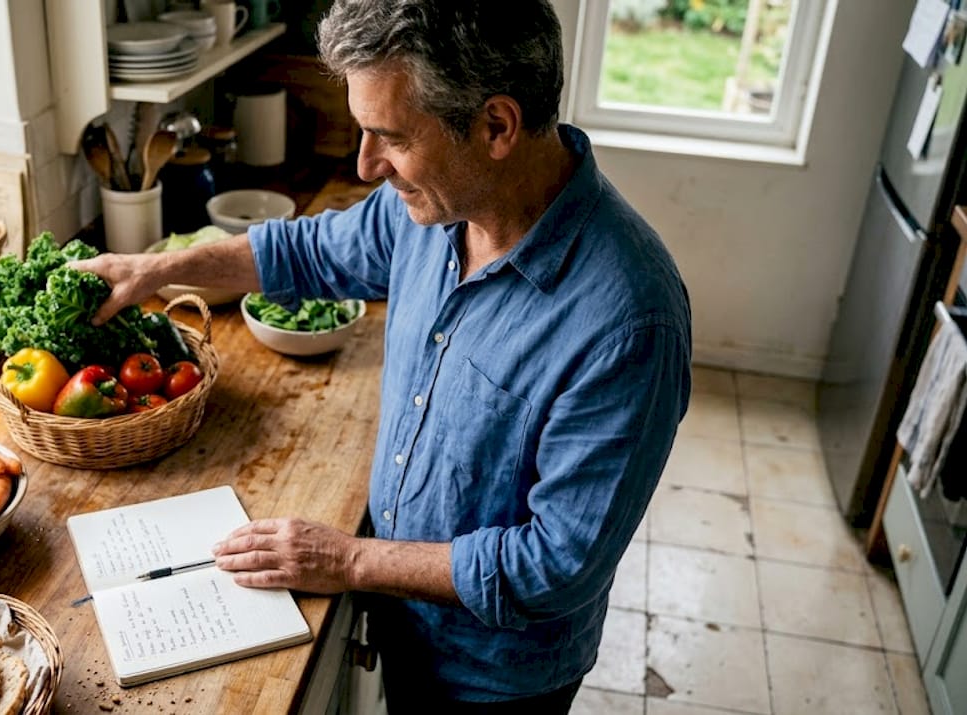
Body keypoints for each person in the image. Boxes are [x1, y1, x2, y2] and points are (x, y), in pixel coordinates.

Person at [71, 1, 691, 711]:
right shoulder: (435, 208)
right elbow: (304, 250)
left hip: (494, 675)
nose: (366, 166)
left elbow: (555, 565)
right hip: (401, 612)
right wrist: (150, 272)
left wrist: (349, 558)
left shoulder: (627, 319)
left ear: (496, 126)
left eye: (388, 137)